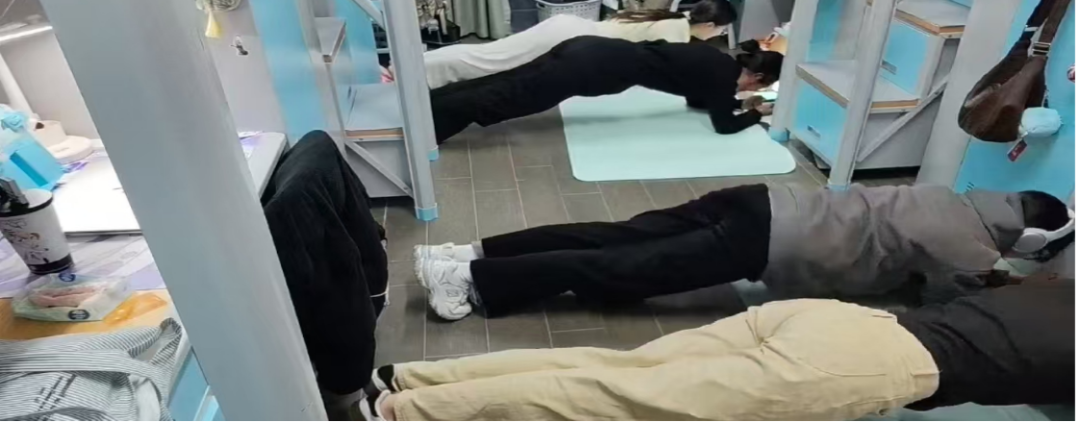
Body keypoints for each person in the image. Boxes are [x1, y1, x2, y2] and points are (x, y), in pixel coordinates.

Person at [358, 279, 1076, 421]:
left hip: (840, 320)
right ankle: (399, 414)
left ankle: (404, 378)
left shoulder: (1056, 286)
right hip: (872, 364)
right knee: (611, 398)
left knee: (617, 368)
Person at [413, 183, 1075, 320]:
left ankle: (469, 249)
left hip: (759, 199)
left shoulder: (949, 194)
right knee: (618, 271)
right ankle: (469, 279)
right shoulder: (969, 248)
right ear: (1029, 239)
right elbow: (956, 302)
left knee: (612, 236)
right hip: (765, 240)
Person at [431, 37, 782, 143]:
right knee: (505, 98)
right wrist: (755, 112)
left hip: (588, 48)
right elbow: (724, 126)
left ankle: (429, 103)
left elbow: (696, 100)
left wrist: (736, 101)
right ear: (758, 79)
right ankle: (429, 129)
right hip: (588, 67)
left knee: (505, 80)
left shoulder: (715, 59)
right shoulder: (722, 81)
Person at [422, 0, 739, 89]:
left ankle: (419, 66)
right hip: (568, 37)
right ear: (709, 25)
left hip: (570, 30)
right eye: (721, 30)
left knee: (488, 55)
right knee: (488, 62)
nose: (719, 36)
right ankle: (417, 72)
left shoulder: (677, 18)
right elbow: (672, 74)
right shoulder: (674, 32)